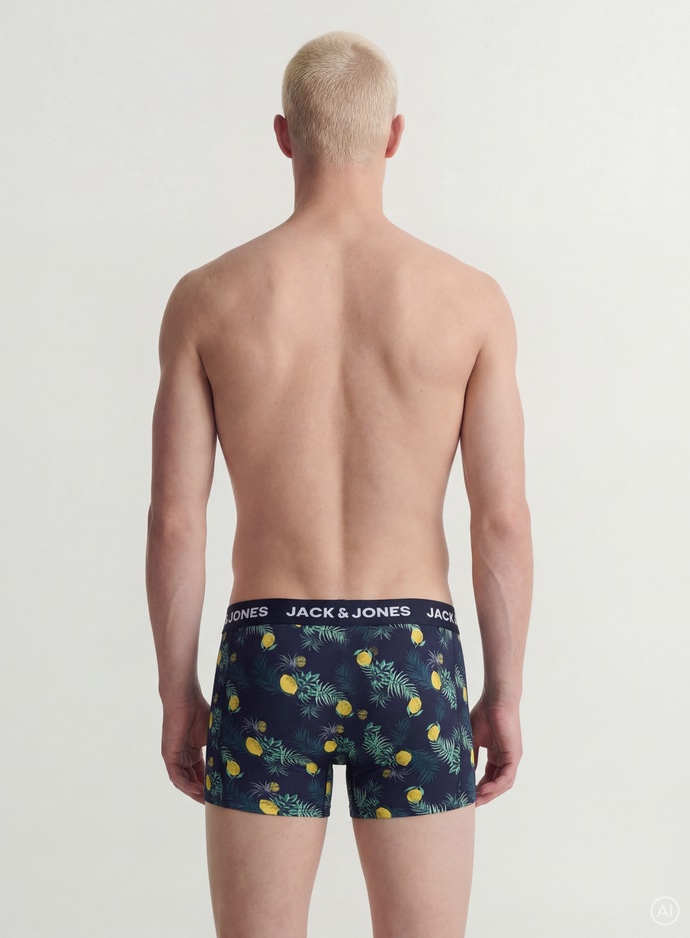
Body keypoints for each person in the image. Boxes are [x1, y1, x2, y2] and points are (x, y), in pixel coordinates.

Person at [146, 30, 532, 938]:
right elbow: (501, 522)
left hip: (269, 653)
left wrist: (177, 693)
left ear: (285, 136)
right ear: (393, 136)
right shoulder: (470, 300)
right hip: (414, 650)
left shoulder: (208, 298)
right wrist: (504, 691)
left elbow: (176, 523)